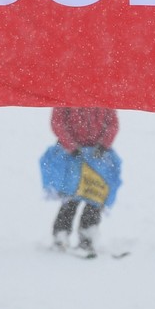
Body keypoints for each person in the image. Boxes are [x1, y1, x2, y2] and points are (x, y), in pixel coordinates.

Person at [49, 107, 119, 254]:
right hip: (71, 157)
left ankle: (87, 236)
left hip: (98, 158)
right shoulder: (67, 93)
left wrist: (103, 145)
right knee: (71, 197)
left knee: (95, 197)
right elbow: (58, 122)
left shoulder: (104, 95)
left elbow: (112, 123)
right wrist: (71, 147)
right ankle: (61, 235)